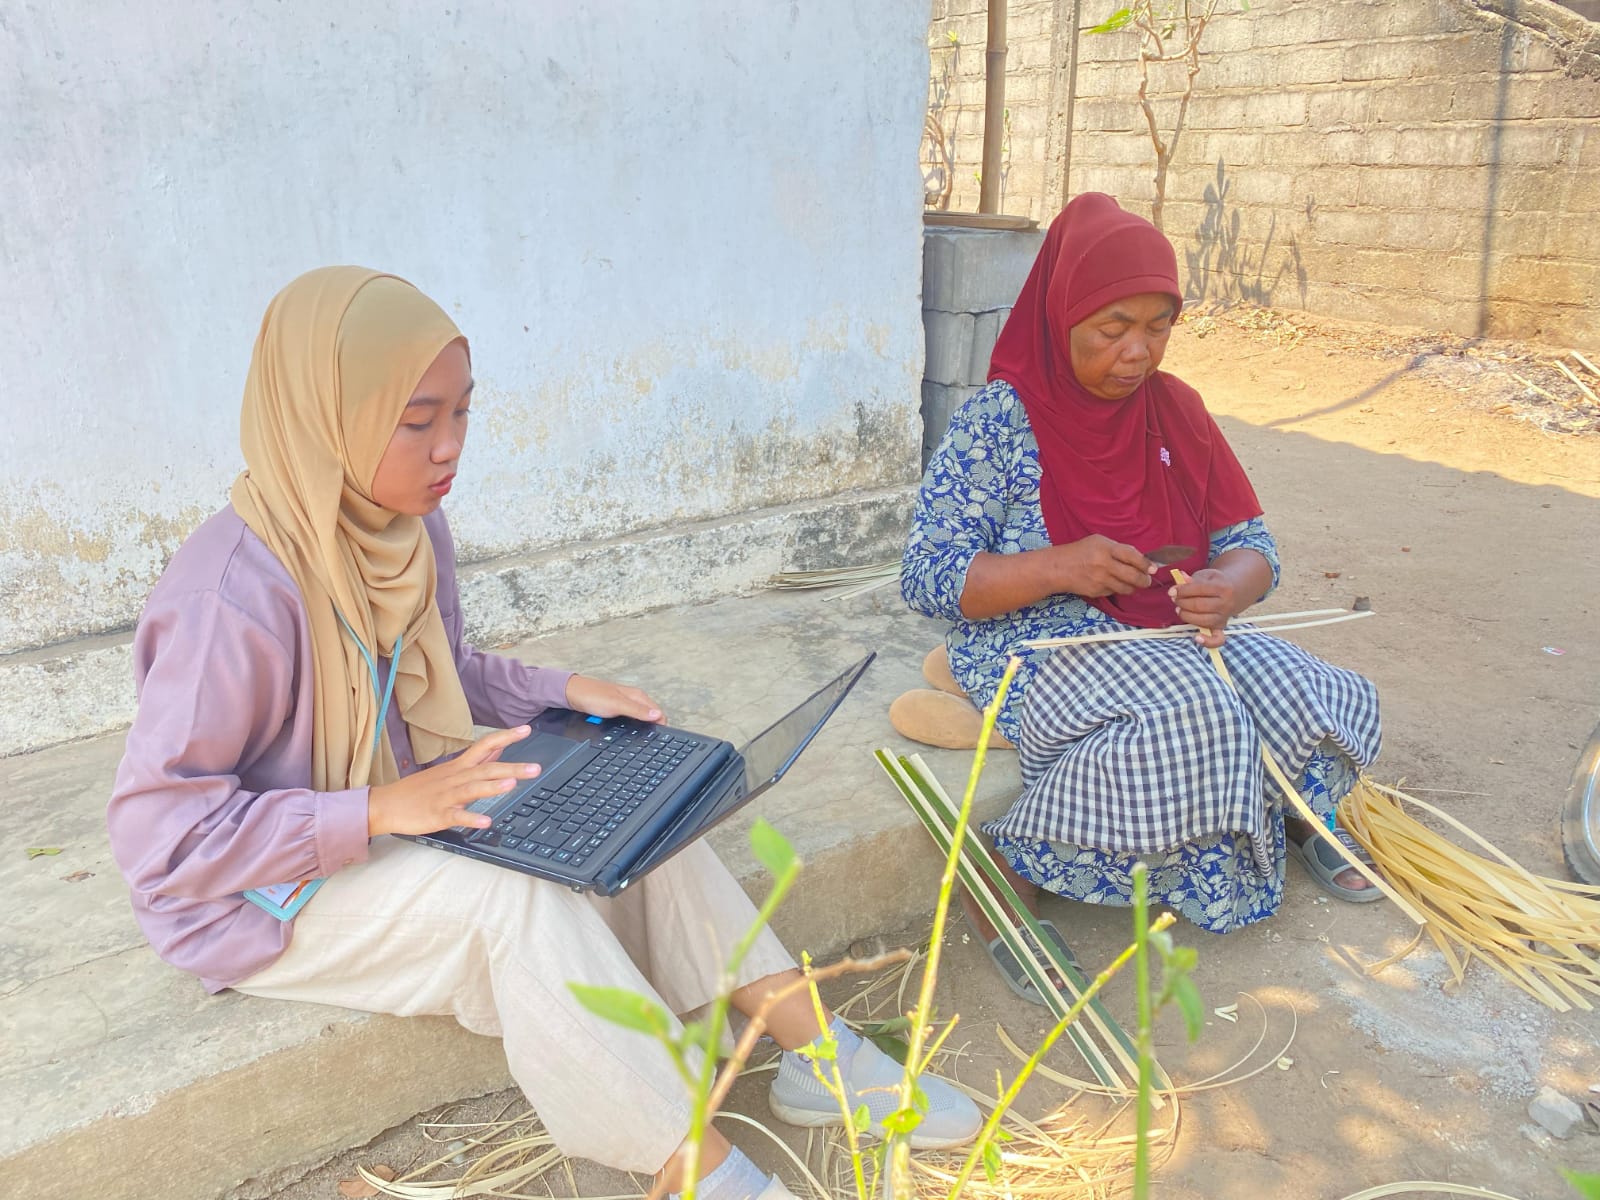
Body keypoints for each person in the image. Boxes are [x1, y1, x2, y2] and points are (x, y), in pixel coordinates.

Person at [107, 267, 978, 1200]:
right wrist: (380, 809)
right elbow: (162, 841)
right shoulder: (228, 600)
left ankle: (816, 1056)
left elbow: (437, 667)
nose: (449, 447)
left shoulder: (400, 526)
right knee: (516, 904)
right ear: (326, 418)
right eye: (416, 421)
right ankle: (696, 1169)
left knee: (642, 813)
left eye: (462, 413)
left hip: (391, 813)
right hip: (258, 892)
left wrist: (562, 692)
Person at [897, 195, 1384, 1004]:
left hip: (1168, 632)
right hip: (1036, 638)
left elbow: (1251, 545)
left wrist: (1228, 588)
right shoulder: (999, 421)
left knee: (1297, 689)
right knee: (1195, 716)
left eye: (1159, 327)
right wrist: (1060, 568)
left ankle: (1296, 810)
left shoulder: (1176, 409)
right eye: (1112, 328)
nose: (1137, 351)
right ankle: (1012, 868)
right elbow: (928, 577)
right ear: (1061, 317)